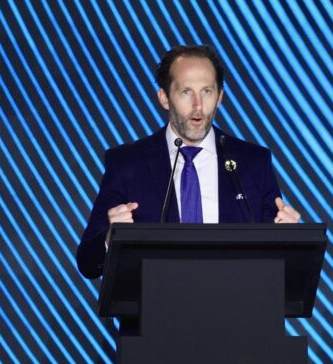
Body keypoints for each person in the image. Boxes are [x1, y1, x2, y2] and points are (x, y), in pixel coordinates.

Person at [76, 45, 301, 279]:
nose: (198, 106)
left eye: (206, 91)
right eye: (186, 92)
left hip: (236, 300)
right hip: (155, 302)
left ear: (220, 97)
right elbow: (88, 264)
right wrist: (109, 239)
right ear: (164, 98)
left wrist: (291, 241)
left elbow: (277, 266)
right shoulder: (127, 163)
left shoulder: (253, 162)